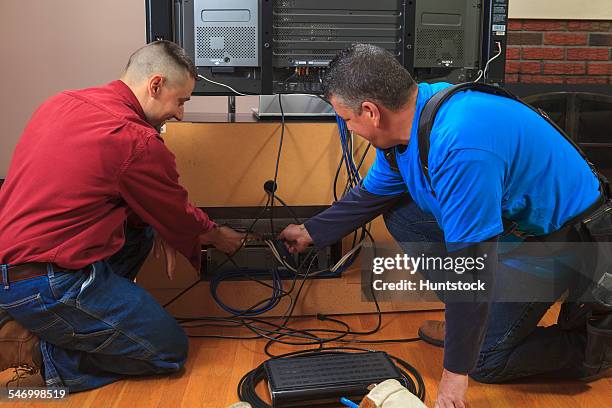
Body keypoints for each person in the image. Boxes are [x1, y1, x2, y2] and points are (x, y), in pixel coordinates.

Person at [279, 44, 611, 407]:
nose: (348, 126)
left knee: (484, 361)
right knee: (403, 213)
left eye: (346, 118)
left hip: (561, 245)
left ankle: (597, 350)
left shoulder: (459, 146)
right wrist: (311, 231)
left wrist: (454, 378)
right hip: (514, 231)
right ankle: (468, 328)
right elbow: (374, 193)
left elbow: (471, 267)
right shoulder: (414, 117)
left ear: (371, 112)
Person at [0, 41, 244, 391]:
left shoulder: (63, 102)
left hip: (14, 270)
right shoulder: (135, 140)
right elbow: (179, 215)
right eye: (181, 101)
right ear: (156, 85)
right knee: (168, 350)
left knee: (140, 229)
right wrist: (218, 237)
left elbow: (108, 192)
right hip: (49, 282)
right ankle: (32, 347)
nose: (180, 114)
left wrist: (158, 223)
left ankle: (50, 320)